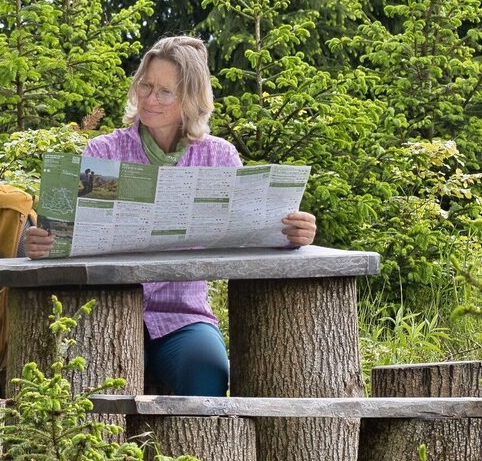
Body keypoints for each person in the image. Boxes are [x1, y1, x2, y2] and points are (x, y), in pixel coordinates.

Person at [22, 35, 317, 396]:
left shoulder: (219, 158)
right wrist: (41, 242)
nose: (149, 99)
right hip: (106, 312)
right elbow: (64, 233)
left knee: (208, 373)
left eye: (164, 92)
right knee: (92, 382)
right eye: (145, 86)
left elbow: (250, 232)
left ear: (191, 100)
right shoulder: (105, 151)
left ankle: (194, 454)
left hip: (184, 316)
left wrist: (291, 234)